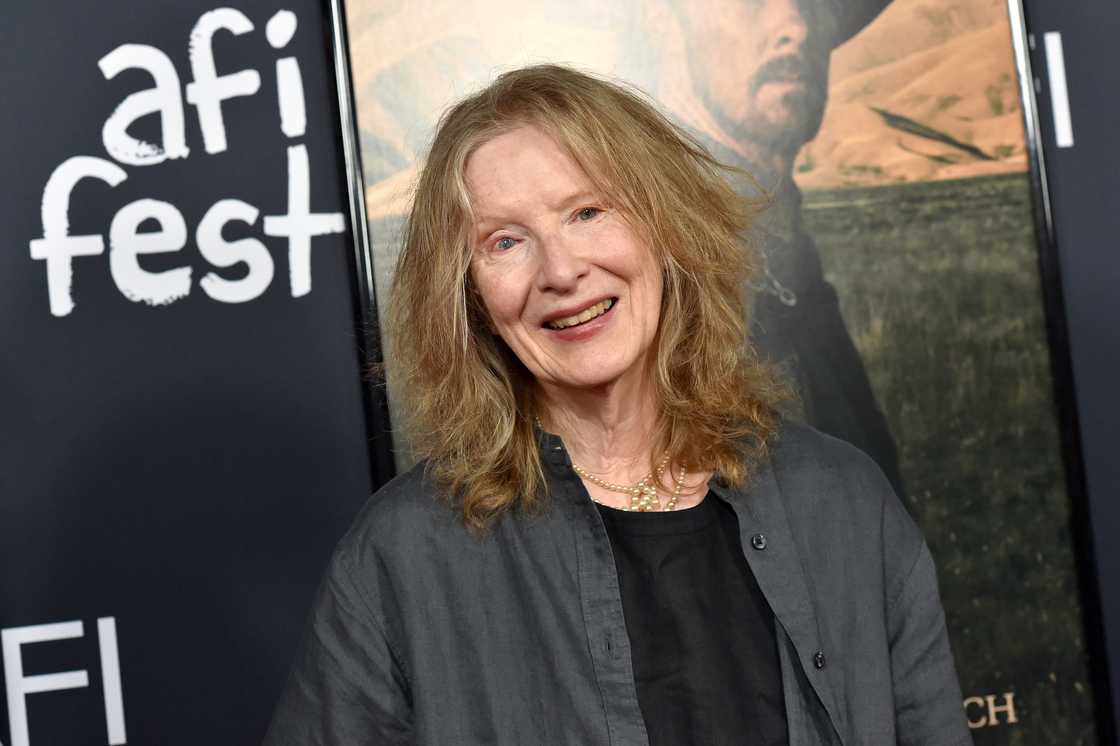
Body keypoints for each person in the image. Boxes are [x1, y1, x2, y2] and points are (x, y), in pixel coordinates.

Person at [263, 65, 969, 745]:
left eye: (588, 211)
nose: (562, 270)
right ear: (470, 298)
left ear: (667, 229)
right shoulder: (405, 555)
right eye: (505, 241)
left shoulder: (844, 503)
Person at [649, 0, 908, 496]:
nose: (795, 26)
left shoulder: (781, 234)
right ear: (664, 21)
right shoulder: (649, 252)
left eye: (813, 4)